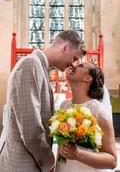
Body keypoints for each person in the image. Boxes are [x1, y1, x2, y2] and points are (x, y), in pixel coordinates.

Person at [0, 30, 85, 172]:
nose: (73, 64)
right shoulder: (30, 65)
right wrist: (49, 162)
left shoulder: (39, 66)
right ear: (65, 48)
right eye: (74, 58)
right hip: (21, 163)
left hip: (28, 160)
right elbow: (30, 130)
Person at [55, 62, 117, 172]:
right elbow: (60, 149)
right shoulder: (64, 106)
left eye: (81, 66)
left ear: (87, 78)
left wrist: (78, 154)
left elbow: (112, 161)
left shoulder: (97, 111)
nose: (74, 65)